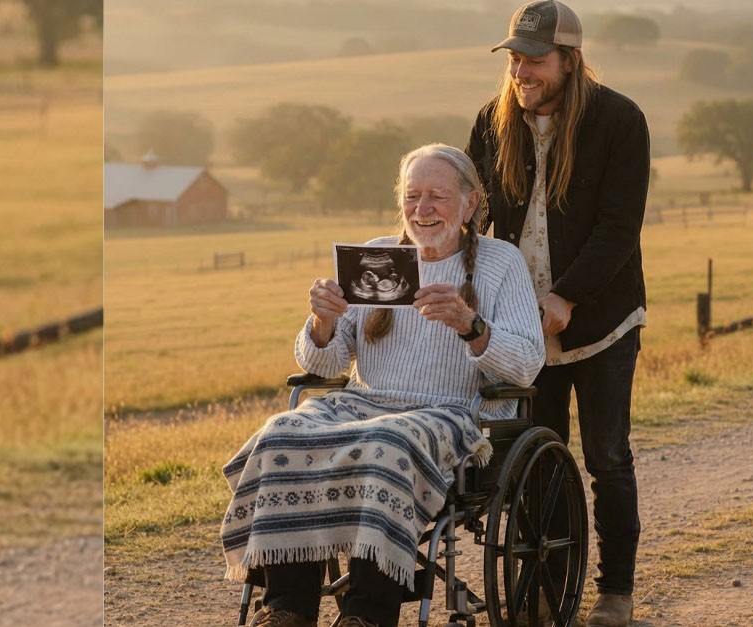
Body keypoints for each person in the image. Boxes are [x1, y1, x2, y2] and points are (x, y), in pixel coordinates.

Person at [220, 144, 545, 627]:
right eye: (413, 196)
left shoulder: (501, 264)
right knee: (282, 433)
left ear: (471, 203)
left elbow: (527, 366)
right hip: (363, 402)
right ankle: (287, 608)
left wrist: (470, 324)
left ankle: (366, 616)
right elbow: (323, 362)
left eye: (437, 196)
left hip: (454, 412)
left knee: (387, 443)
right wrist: (322, 322)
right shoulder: (378, 257)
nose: (423, 209)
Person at [465, 1, 651, 625]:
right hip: (520, 331)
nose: (522, 71)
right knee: (534, 461)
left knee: (606, 458)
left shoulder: (619, 120)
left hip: (602, 322)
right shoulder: (492, 124)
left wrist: (566, 295)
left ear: (570, 60)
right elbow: (472, 214)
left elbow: (618, 228)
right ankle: (545, 588)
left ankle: (615, 593)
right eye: (515, 58)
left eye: (536, 60)